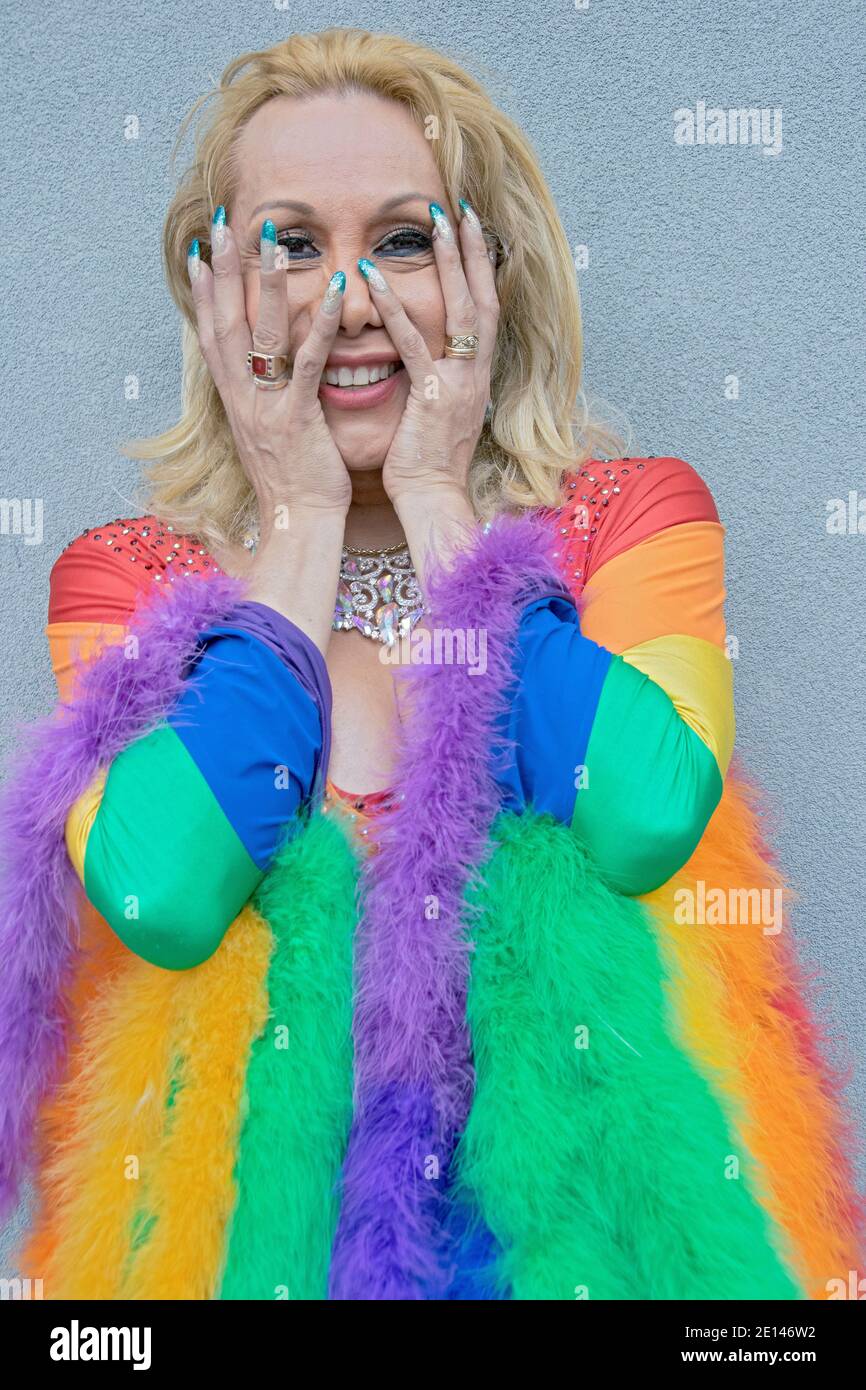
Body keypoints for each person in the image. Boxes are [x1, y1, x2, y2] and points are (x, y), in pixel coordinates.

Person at [0, 28, 860, 1300]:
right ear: (209, 285)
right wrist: (294, 525)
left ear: (486, 277)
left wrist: (447, 513)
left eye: (402, 240)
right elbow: (165, 895)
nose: (350, 302)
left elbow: (643, 821)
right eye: (288, 244)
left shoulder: (629, 521)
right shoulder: (125, 583)